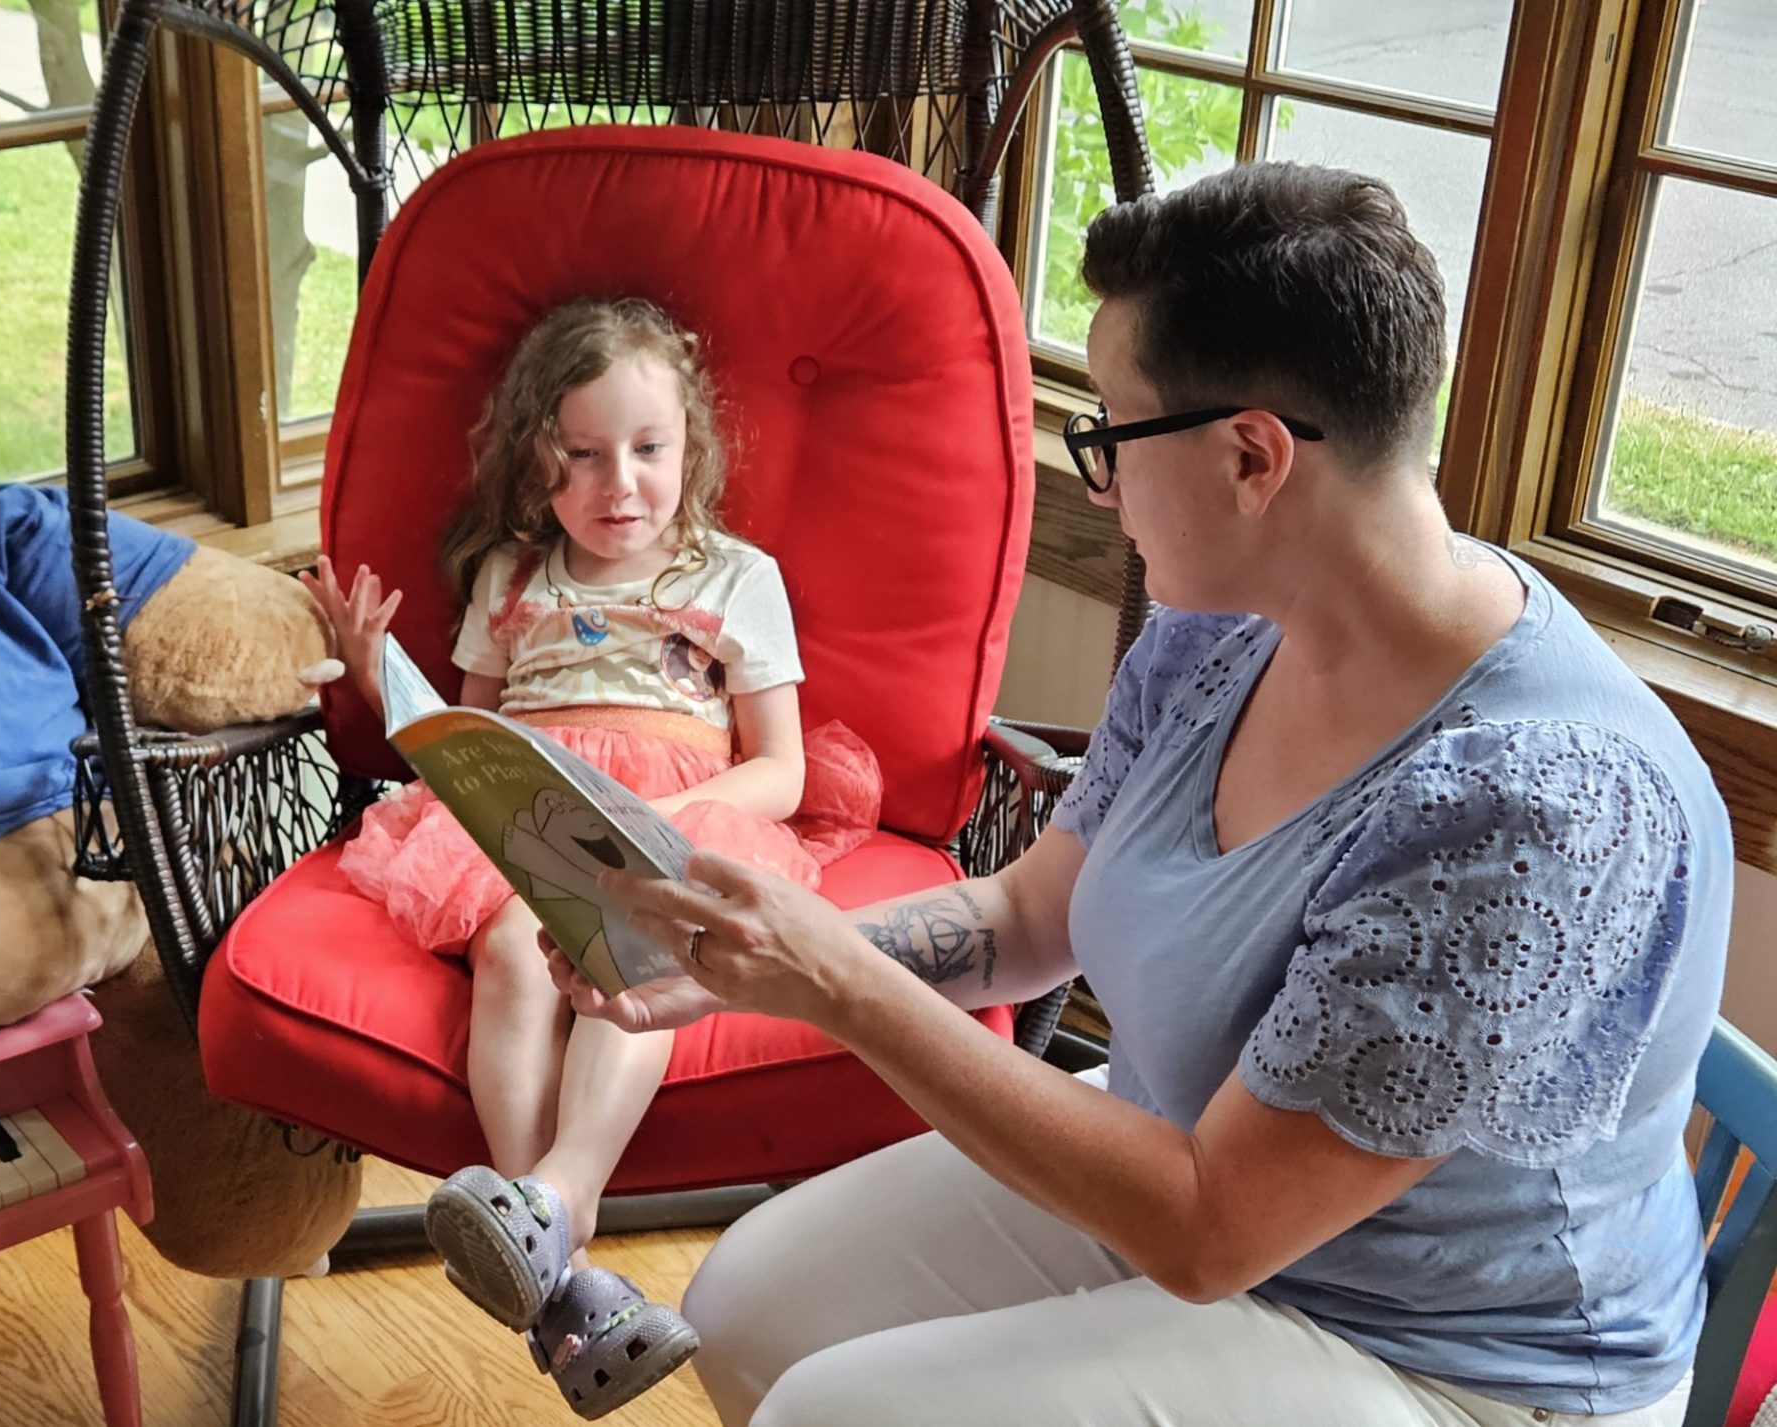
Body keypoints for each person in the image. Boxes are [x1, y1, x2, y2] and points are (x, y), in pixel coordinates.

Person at [552, 164, 1732, 1427]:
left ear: (1250, 457)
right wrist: (742, 958)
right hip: (1187, 1159)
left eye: (1107, 434)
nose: (1098, 485)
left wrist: (837, 982)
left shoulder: (1529, 811)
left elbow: (1209, 1227)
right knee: (748, 1311)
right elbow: (1024, 919)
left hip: (1454, 1360)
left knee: (834, 1414)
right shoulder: (1214, 634)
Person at [302, 295, 880, 1418]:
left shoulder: (732, 576)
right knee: (517, 948)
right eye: (584, 455)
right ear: (536, 465)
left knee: (631, 952)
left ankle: (551, 1214)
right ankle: (557, 1273)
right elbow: (456, 744)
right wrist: (378, 680)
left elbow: (785, 770)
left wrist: (674, 822)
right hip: (526, 809)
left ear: (690, 448)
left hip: (679, 815)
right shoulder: (511, 581)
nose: (621, 484)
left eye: (648, 449)